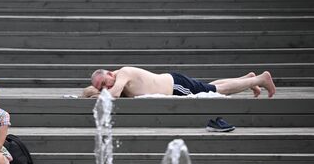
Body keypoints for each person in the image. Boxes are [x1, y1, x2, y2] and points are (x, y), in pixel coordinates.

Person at [90, 67, 276, 99]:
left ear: (109, 73)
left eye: (105, 83)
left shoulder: (122, 73)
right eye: (101, 87)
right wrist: (93, 91)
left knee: (216, 92)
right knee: (207, 88)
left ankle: (261, 79)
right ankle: (247, 79)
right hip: (174, 83)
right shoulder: (115, 80)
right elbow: (86, 91)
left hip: (176, 87)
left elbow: (113, 95)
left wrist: (95, 93)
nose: (105, 88)